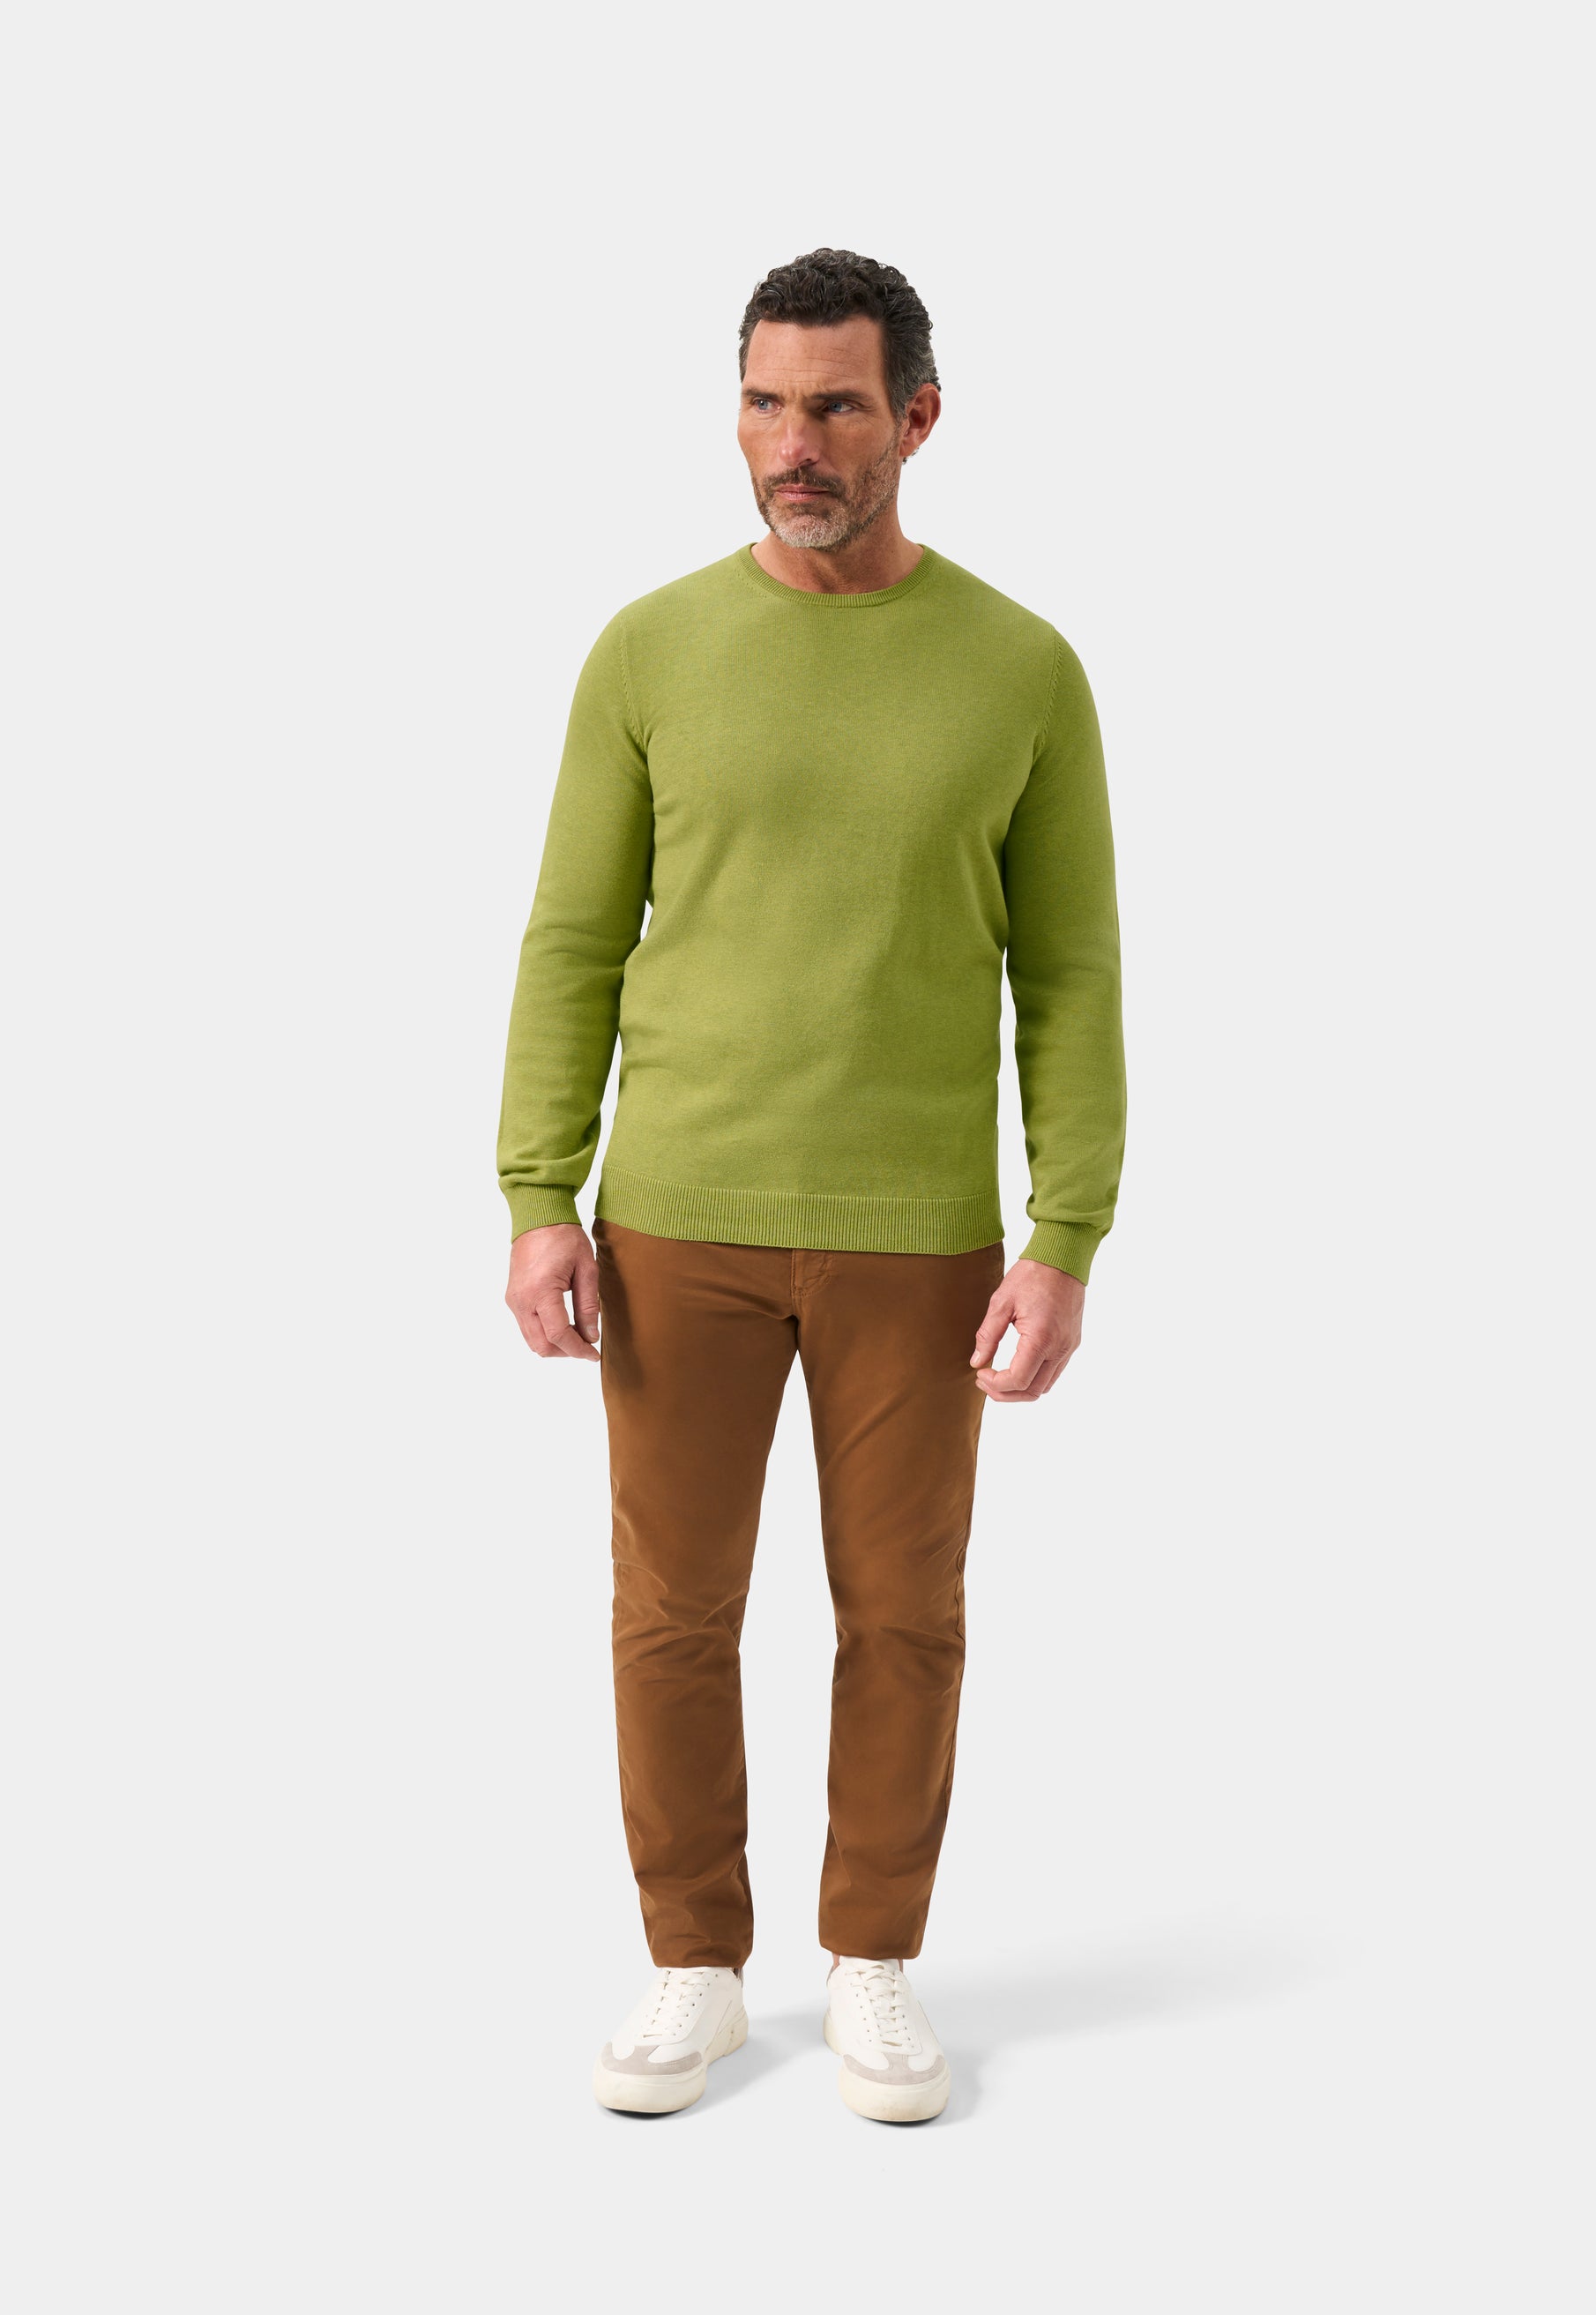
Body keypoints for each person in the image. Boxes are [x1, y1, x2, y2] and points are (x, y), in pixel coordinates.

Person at [497, 249, 1126, 2123]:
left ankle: (872, 1958)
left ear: (915, 417)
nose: (796, 443)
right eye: (766, 403)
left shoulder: (1021, 667)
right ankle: (695, 1958)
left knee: (903, 1611)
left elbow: (1070, 974)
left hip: (915, 1233)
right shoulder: (647, 649)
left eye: (836, 405)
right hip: (673, 1216)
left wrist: (1064, 1234)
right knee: (669, 1609)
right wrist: (538, 1194)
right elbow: (571, 938)